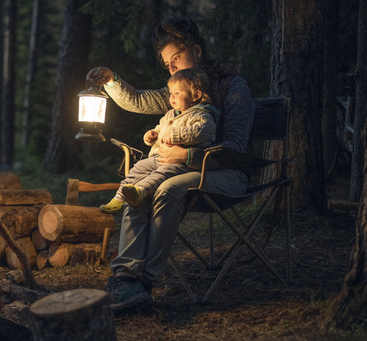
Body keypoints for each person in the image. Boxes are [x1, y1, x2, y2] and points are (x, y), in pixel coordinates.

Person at [86, 16, 255, 311]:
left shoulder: (233, 86)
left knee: (167, 188)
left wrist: (188, 156)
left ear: (197, 51)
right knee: (139, 186)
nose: (173, 68)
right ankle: (126, 276)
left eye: (176, 58)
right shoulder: (179, 91)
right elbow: (139, 100)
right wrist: (112, 81)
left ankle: (145, 282)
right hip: (182, 170)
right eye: (168, 65)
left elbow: (236, 150)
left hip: (228, 175)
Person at [99, 68, 221, 214]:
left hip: (184, 164)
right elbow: (160, 128)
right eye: (171, 93)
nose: (172, 97)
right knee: (138, 167)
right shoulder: (170, 114)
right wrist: (153, 135)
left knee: (163, 173)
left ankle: (140, 192)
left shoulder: (203, 114)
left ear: (196, 95)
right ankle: (119, 198)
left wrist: (175, 136)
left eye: (177, 93)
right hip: (160, 157)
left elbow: (201, 131)